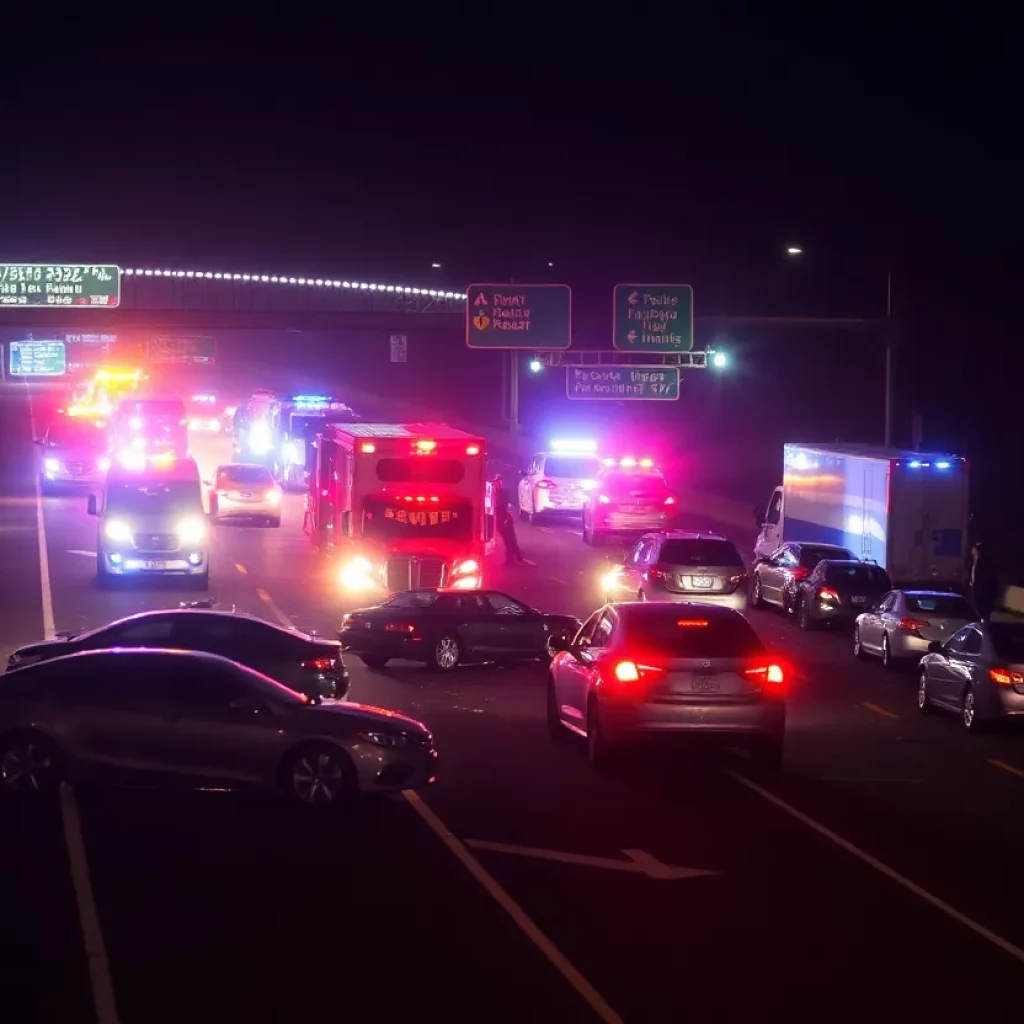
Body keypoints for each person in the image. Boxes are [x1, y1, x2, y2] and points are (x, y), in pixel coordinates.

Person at [492, 474, 531, 566]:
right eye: (497, 482)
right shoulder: (494, 494)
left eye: (500, 481)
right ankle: (515, 559)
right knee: (508, 541)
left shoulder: (504, 493)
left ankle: (516, 558)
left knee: (512, 540)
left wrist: (507, 518)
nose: (498, 483)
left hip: (506, 520)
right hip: (500, 521)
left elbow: (506, 505)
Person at [968, 542, 998, 622]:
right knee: (978, 609)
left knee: (982, 610)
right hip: (976, 590)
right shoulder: (974, 562)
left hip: (981, 591)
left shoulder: (981, 562)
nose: (972, 551)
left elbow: (985, 577)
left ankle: (984, 624)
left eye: (974, 550)